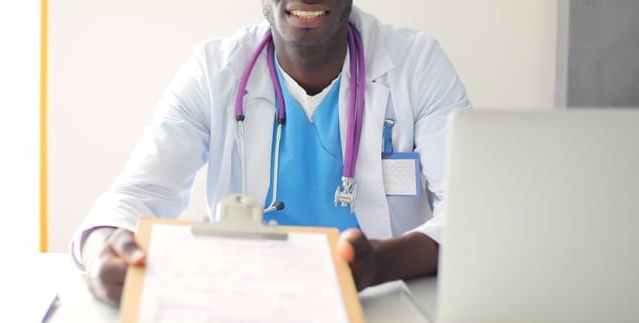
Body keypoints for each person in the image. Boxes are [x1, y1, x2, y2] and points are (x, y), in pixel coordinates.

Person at [72, 0, 471, 306]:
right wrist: (102, 245)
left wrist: (382, 263)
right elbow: (136, 194)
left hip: (385, 302)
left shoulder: (416, 65)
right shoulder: (214, 72)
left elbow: (473, 214)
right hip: (246, 304)